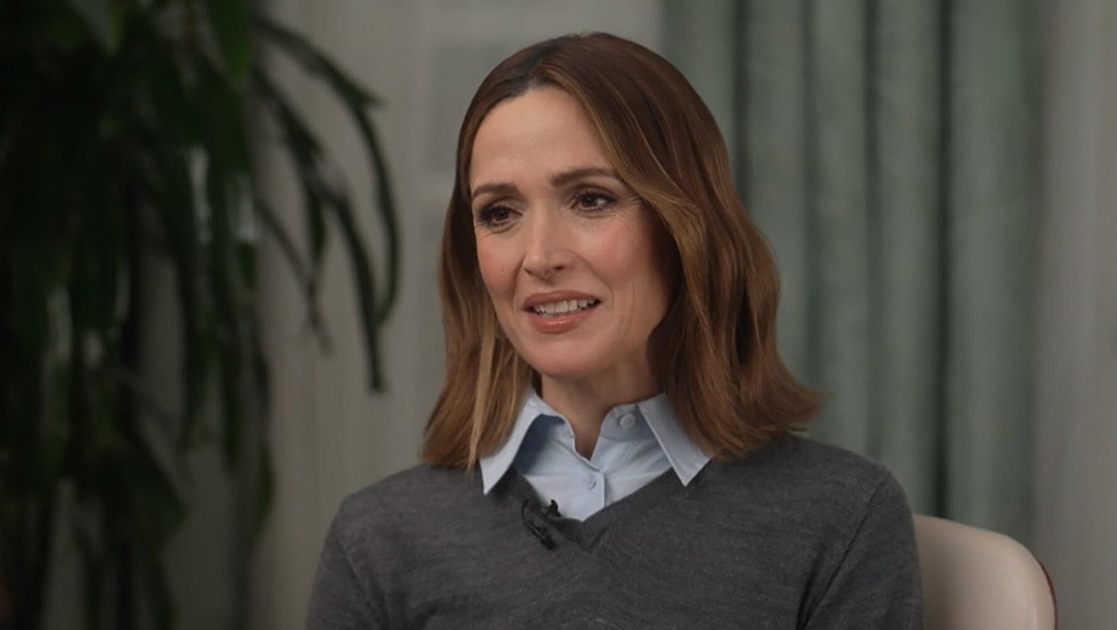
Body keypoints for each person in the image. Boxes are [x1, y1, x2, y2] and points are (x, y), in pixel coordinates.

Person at [307, 33, 923, 629]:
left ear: (686, 227)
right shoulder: (378, 541)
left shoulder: (841, 518)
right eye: (500, 212)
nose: (539, 256)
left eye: (591, 200)